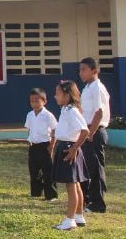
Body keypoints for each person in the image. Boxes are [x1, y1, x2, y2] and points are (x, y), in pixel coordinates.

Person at [52, 80, 90, 231]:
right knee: (75, 184)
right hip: (66, 146)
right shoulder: (65, 109)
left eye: (58, 94)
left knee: (71, 186)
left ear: (67, 96)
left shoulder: (72, 111)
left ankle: (70, 220)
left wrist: (74, 149)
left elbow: (85, 131)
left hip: (69, 148)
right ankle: (79, 216)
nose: (55, 96)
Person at [79, 57, 111, 213]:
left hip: (95, 131)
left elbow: (99, 112)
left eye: (84, 69)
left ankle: (98, 204)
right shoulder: (87, 87)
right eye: (80, 69)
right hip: (88, 130)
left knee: (96, 168)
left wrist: (91, 133)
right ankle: (88, 199)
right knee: (87, 168)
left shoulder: (97, 87)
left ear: (94, 70)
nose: (81, 73)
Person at [24, 87, 58, 201]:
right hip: (33, 146)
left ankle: (51, 194)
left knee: (48, 171)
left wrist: (51, 145)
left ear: (44, 101)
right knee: (34, 170)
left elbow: (54, 130)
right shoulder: (30, 115)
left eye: (37, 101)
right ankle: (36, 192)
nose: (34, 103)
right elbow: (29, 129)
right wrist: (29, 140)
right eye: (32, 101)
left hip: (45, 145)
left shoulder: (48, 115)